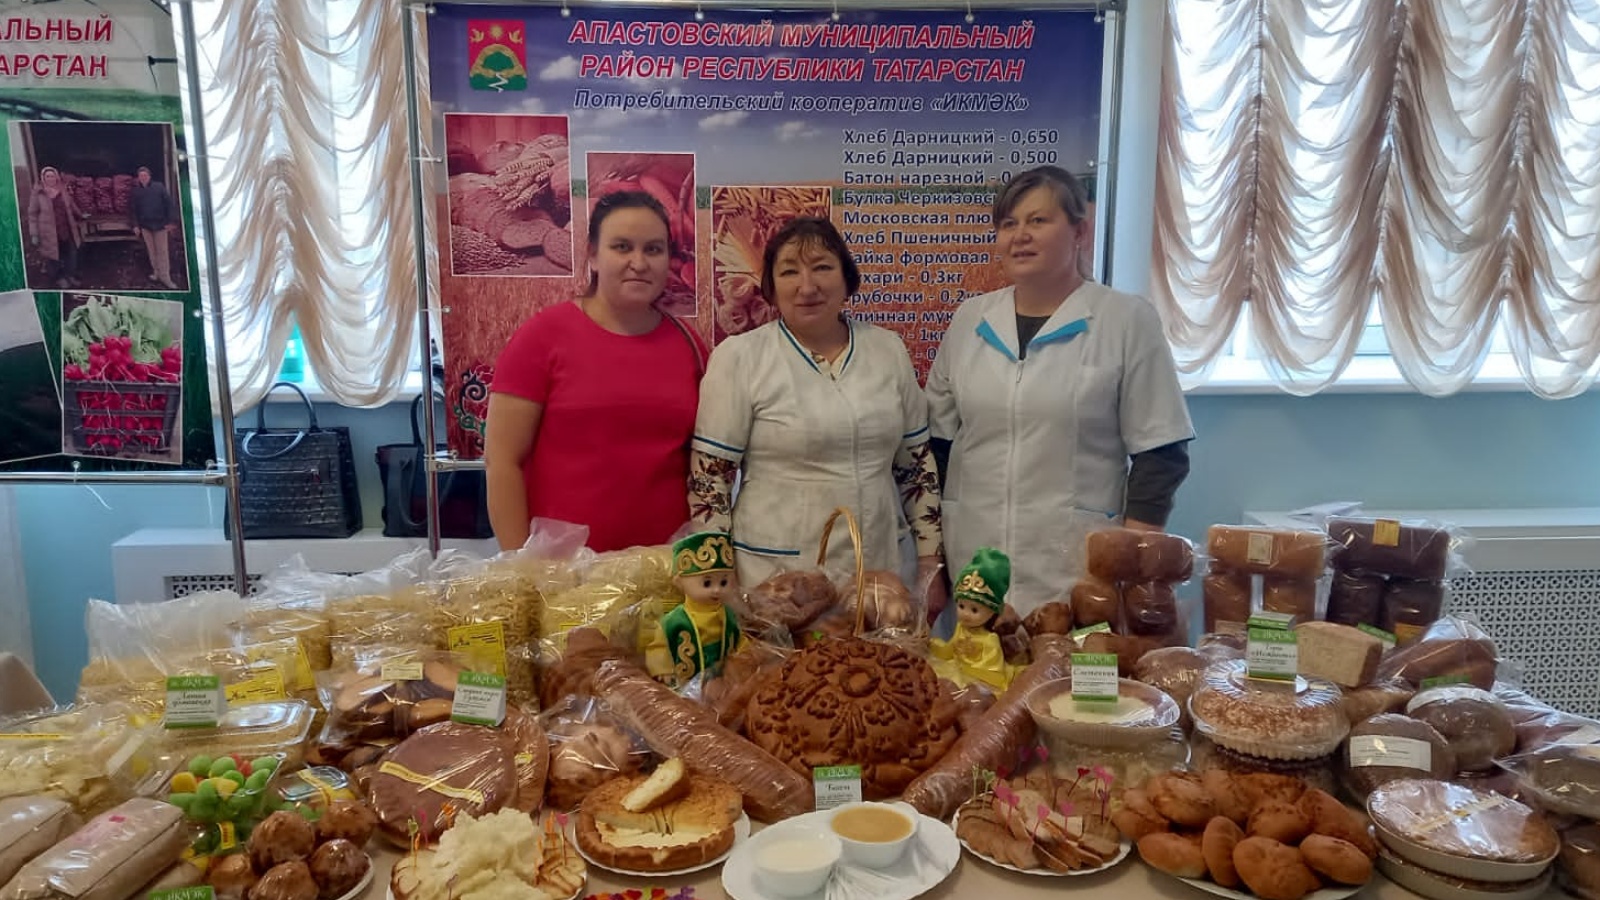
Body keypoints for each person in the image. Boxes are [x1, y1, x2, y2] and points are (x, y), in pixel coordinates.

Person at [927, 166, 1194, 616]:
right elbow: (938, 445)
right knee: (977, 660)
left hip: (1076, 567)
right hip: (976, 565)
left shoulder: (1125, 321)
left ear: (1079, 232)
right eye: (1008, 224)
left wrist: (1134, 559)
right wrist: (933, 556)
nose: (1020, 236)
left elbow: (1161, 452)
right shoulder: (970, 320)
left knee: (1069, 660)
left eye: (1038, 220)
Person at [689, 216, 946, 614]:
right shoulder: (740, 358)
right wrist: (718, 578)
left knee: (878, 654)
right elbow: (710, 480)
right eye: (789, 271)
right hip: (777, 580)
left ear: (847, 279)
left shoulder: (887, 350)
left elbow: (916, 467)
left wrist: (930, 563)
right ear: (771, 287)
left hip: (879, 570)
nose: (807, 287)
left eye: (822, 267)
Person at [485, 190, 704, 553]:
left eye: (653, 249)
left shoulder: (689, 345)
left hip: (666, 568)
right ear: (593, 254)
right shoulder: (542, 336)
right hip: (564, 571)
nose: (639, 262)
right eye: (622, 247)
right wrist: (522, 567)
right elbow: (502, 461)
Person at [645, 530, 743, 687]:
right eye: (707, 583)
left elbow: (739, 639)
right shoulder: (675, 620)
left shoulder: (728, 614)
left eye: (723, 582)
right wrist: (663, 669)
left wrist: (746, 655)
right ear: (679, 582)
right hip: (685, 682)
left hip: (723, 679)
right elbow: (659, 647)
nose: (717, 590)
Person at [929, 547, 1018, 691]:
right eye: (961, 606)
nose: (966, 614)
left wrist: (967, 674)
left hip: (980, 681)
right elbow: (950, 648)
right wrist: (932, 644)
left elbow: (992, 674)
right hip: (957, 671)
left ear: (991, 612)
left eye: (974, 610)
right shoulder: (960, 627)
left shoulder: (990, 640)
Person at [25, 167, 87, 289]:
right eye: (47, 176)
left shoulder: (62, 190)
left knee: (70, 253)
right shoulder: (38, 193)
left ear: (56, 177)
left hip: (66, 228)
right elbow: (32, 214)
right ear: (43, 178)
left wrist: (80, 215)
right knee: (53, 256)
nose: (50, 178)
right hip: (49, 232)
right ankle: (59, 278)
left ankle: (70, 275)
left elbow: (71, 205)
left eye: (52, 176)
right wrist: (34, 233)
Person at [130, 165, 178, 289]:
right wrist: (135, 225)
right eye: (141, 176)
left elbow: (169, 204)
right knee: (151, 252)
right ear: (138, 178)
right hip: (145, 226)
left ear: (149, 176)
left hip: (160, 225)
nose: (143, 177)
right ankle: (156, 273)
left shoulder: (159, 187)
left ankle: (166, 277)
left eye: (145, 175)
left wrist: (170, 221)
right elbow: (133, 210)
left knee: (162, 252)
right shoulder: (136, 191)